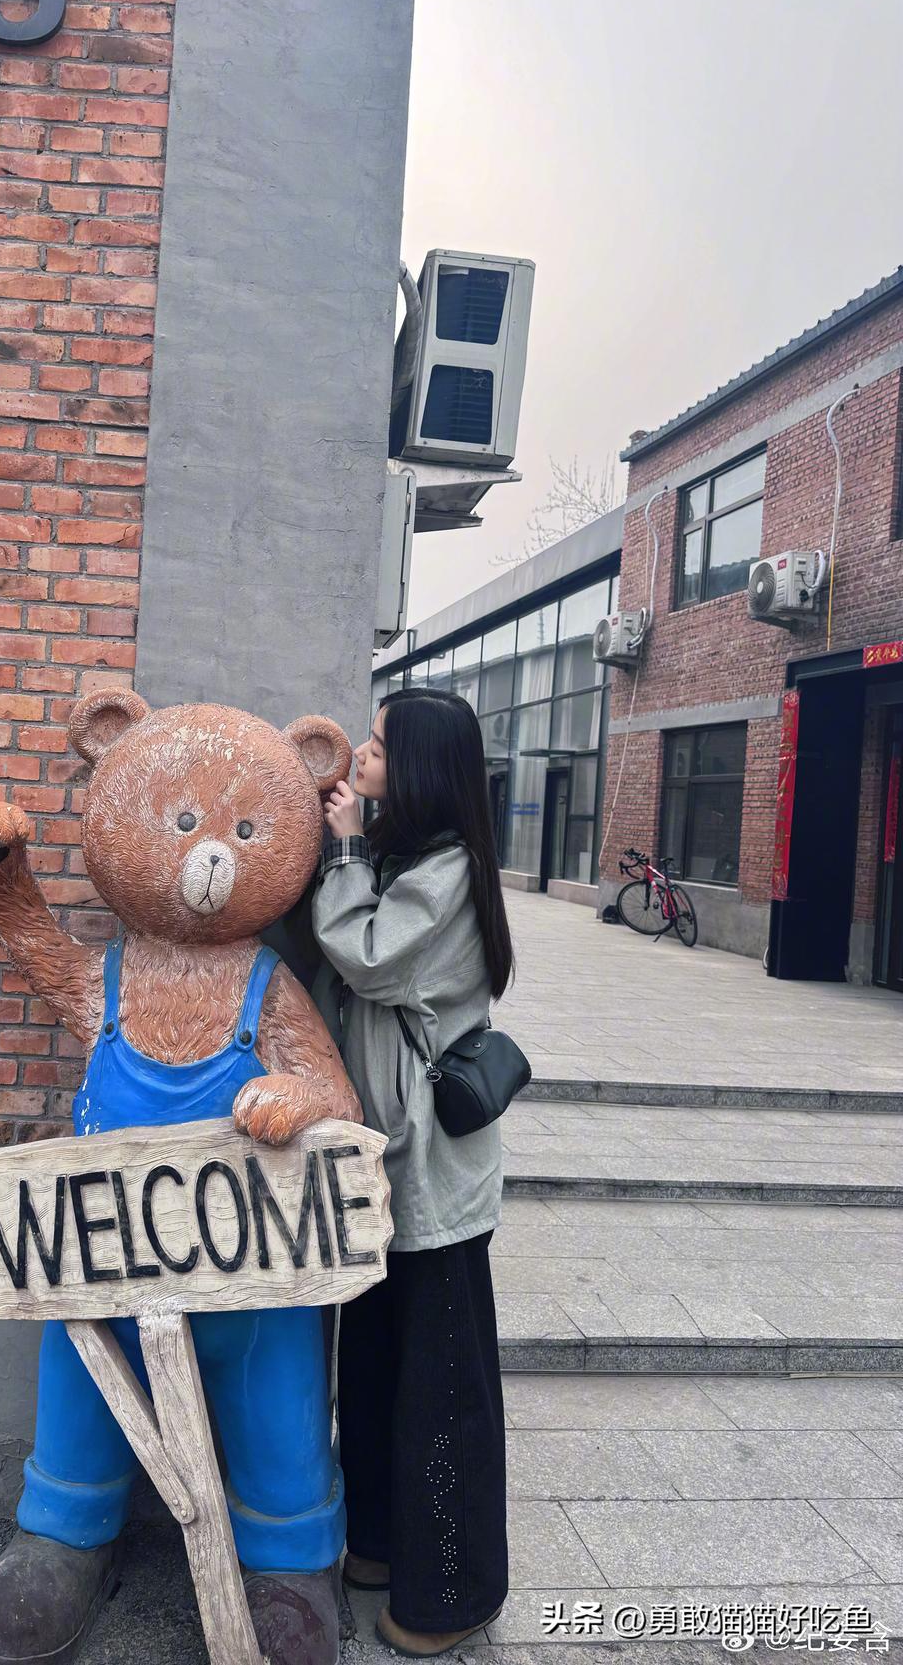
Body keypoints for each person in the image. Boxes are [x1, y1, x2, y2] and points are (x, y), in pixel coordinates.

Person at [311, 686, 513, 1658]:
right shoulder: (408, 855)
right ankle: (381, 1543)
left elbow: (368, 958)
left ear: (423, 767)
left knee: (441, 1391)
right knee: (376, 1365)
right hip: (380, 1160)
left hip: (432, 1172)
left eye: (382, 747)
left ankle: (453, 1592)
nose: (362, 754)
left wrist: (347, 849)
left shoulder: (448, 870)